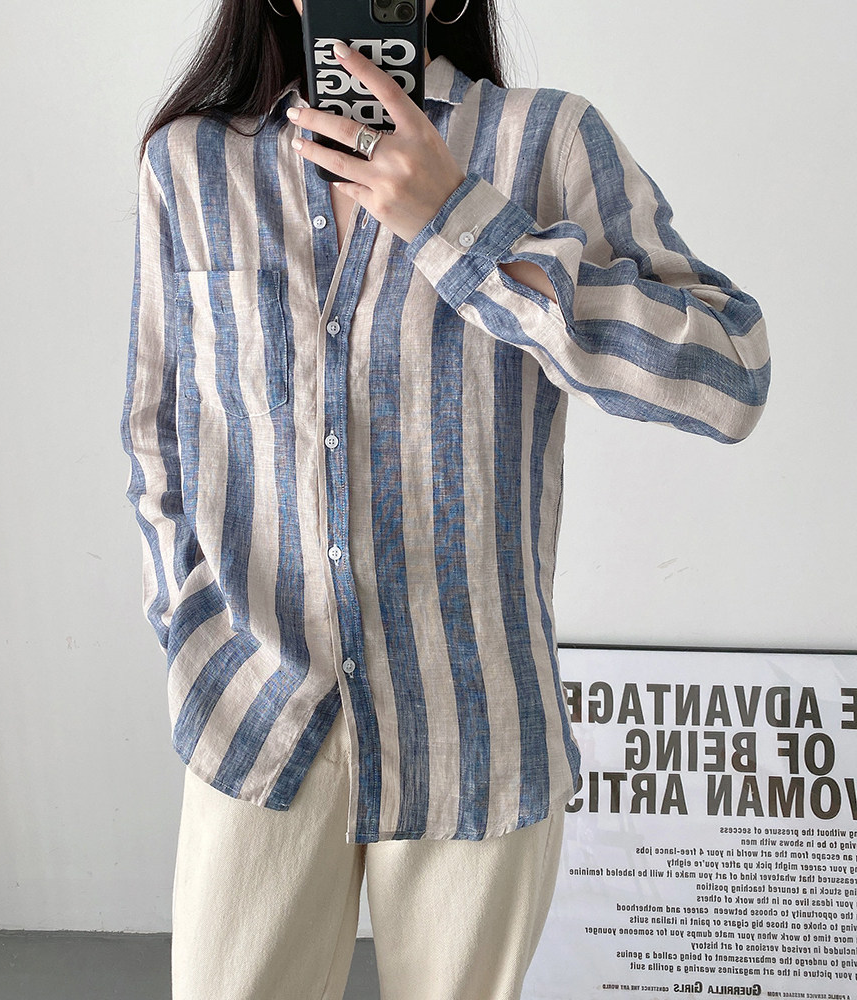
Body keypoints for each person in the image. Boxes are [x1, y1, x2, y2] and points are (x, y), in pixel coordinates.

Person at [120, 0, 771, 997]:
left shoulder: (547, 141)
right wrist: (190, 630)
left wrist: (459, 224)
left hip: (476, 725)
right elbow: (158, 428)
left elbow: (730, 378)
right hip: (257, 713)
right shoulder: (190, 164)